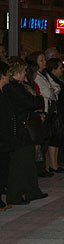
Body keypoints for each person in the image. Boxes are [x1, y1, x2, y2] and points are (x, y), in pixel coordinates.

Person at [3, 57, 48, 205]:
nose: (24, 74)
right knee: (20, 163)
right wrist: (39, 100)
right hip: (20, 130)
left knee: (28, 161)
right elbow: (29, 102)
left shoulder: (17, 86)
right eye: (22, 71)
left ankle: (32, 191)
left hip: (23, 128)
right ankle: (14, 196)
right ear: (15, 72)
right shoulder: (12, 88)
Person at [31, 51, 64, 175]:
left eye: (44, 60)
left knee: (54, 138)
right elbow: (47, 93)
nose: (44, 62)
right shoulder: (36, 76)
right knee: (46, 140)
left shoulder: (46, 74)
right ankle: (46, 166)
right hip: (46, 109)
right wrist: (52, 91)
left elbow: (56, 87)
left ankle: (53, 164)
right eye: (41, 60)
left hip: (52, 109)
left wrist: (52, 91)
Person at [45, 58, 64, 172]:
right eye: (60, 67)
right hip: (56, 113)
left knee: (58, 139)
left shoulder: (58, 79)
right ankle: (53, 164)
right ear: (53, 69)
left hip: (61, 113)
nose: (62, 70)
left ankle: (55, 163)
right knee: (54, 139)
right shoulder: (51, 79)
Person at [0, 61, 12, 210]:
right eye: (7, 73)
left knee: (3, 168)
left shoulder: (4, 92)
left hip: (4, 137)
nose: (9, 76)